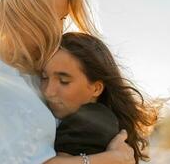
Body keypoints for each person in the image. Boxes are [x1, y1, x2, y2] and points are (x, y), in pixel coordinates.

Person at [0, 0, 135, 163]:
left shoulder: (46, 72)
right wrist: (109, 158)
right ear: (12, 13)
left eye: (62, 19)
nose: (57, 31)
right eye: (46, 19)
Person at [41, 32, 159, 163]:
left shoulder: (88, 121)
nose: (48, 91)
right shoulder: (104, 118)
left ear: (96, 88)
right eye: (44, 78)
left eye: (64, 81)